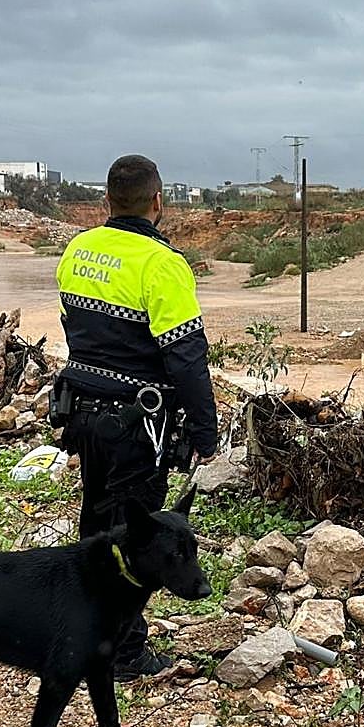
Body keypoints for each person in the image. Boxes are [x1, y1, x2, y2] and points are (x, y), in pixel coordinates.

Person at [54, 154, 218, 681]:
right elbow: (185, 355)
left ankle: (82, 631)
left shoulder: (78, 250)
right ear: (157, 202)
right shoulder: (161, 264)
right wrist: (204, 428)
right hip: (135, 425)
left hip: (82, 413)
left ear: (106, 201)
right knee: (135, 536)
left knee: (95, 525)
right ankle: (123, 652)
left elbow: (75, 329)